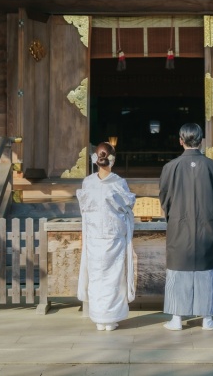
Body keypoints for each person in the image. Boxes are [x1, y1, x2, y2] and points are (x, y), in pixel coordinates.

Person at [159, 123, 213, 331]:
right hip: (206, 223)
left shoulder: (171, 167)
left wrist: (172, 215)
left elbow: (164, 198)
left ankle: (177, 318)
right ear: (201, 140)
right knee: (206, 270)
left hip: (179, 224)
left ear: (180, 140)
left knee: (179, 269)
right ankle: (207, 319)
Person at [76, 142, 137, 332]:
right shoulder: (119, 183)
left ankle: (99, 318)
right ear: (112, 159)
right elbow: (128, 207)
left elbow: (84, 211)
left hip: (94, 237)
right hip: (114, 237)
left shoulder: (88, 182)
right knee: (113, 278)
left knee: (96, 277)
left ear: (95, 159)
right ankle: (110, 318)